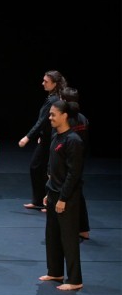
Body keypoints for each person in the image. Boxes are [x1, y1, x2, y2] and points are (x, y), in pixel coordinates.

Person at [39, 99, 85, 291]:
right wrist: (49, 190)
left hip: (67, 197)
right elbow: (52, 165)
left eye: (53, 114)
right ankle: (55, 271)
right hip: (53, 192)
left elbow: (74, 174)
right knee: (52, 234)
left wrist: (63, 198)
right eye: (49, 114)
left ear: (64, 116)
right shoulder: (56, 136)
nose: (50, 117)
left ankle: (75, 279)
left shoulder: (73, 140)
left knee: (68, 237)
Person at [18, 70, 67, 210]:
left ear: (55, 84)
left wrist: (27, 137)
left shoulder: (54, 100)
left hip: (52, 139)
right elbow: (45, 122)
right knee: (39, 168)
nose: (43, 83)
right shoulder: (53, 97)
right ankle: (40, 200)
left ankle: (47, 201)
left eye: (46, 81)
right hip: (47, 137)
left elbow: (42, 121)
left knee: (44, 169)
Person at [60, 87, 91, 240]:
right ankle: (83, 229)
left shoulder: (66, 120)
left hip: (68, 161)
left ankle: (70, 228)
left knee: (67, 193)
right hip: (79, 160)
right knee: (77, 192)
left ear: (64, 101)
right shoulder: (83, 118)